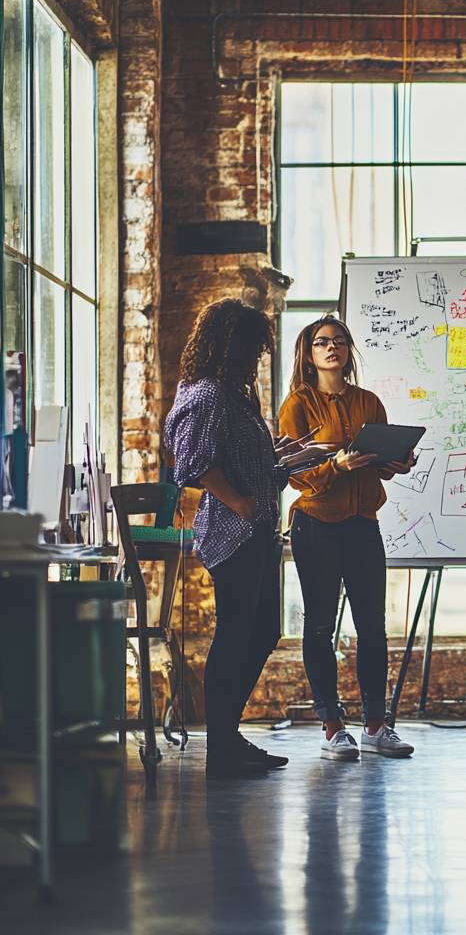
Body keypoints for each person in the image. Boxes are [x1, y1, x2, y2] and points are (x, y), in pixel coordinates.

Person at [278, 316, 415, 762]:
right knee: (320, 625)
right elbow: (292, 474)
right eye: (322, 342)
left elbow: (378, 460)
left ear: (348, 350)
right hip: (316, 524)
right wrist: (337, 467)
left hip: (361, 522)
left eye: (339, 341)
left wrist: (395, 462)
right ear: (309, 353)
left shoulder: (369, 402)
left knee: (373, 626)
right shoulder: (297, 405)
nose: (331, 348)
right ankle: (332, 726)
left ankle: (377, 724)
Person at [165, 298, 290, 778]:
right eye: (252, 350)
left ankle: (227, 734)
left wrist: (279, 460)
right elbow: (191, 461)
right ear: (230, 346)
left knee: (260, 631)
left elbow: (239, 459)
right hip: (233, 532)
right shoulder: (207, 395)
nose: (257, 360)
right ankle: (221, 743)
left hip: (256, 528)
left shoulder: (234, 396)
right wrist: (239, 502)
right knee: (237, 632)